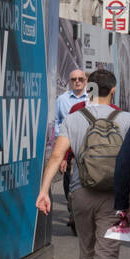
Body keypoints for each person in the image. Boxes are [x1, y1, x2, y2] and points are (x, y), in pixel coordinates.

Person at [37, 69, 130, 259]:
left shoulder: (75, 118)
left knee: (86, 248)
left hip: (80, 192)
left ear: (89, 87)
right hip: (115, 195)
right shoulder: (126, 120)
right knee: (107, 252)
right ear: (113, 90)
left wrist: (44, 191)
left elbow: (57, 155)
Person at [55, 70, 91, 233]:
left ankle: (84, 216)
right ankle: (74, 215)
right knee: (69, 181)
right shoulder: (62, 100)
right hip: (69, 146)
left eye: (80, 79)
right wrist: (61, 151)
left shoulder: (91, 100)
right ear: (69, 81)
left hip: (89, 148)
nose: (77, 82)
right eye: (73, 79)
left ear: (86, 81)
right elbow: (57, 122)